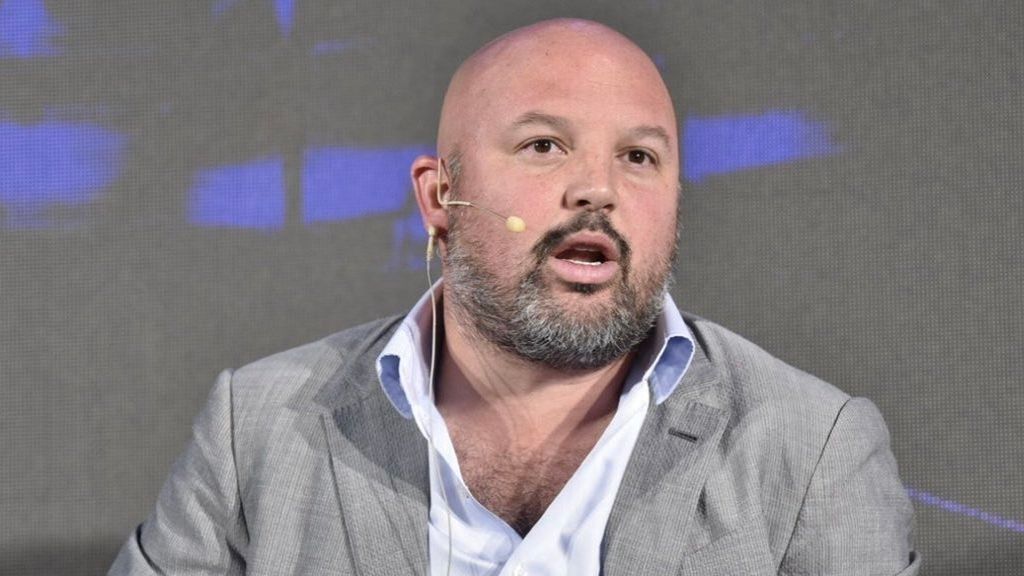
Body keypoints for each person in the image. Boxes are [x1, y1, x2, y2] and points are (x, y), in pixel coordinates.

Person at [110, 18, 919, 575]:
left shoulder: (811, 450)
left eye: (639, 157)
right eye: (544, 145)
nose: (596, 188)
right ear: (440, 197)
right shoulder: (254, 430)